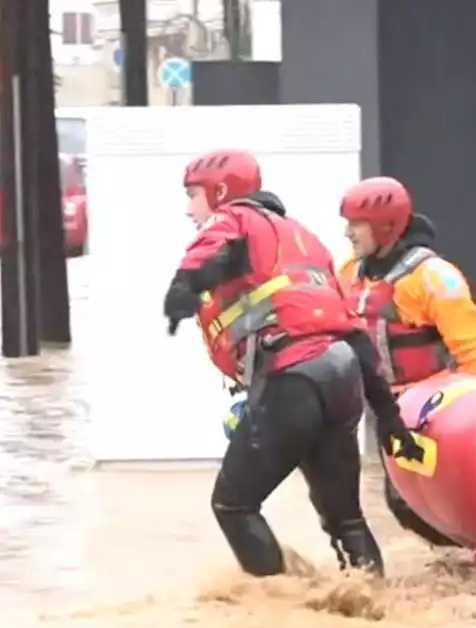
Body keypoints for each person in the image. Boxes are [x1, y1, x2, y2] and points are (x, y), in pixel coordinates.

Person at [162, 149, 423, 579]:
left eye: (193, 194)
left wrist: (182, 287)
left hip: (294, 375)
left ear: (221, 192)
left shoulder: (236, 217)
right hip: (341, 375)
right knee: (347, 520)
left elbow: (210, 252)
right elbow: (354, 335)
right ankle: (374, 606)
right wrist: (390, 420)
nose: (189, 207)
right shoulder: (307, 241)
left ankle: (278, 609)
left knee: (233, 504)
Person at [337, 176, 476, 547]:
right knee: (403, 506)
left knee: (425, 502)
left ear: (386, 226)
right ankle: (467, 558)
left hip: (433, 410)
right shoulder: (350, 274)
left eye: (356, 224)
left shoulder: (433, 278)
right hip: (387, 410)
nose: (348, 232)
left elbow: (474, 348)